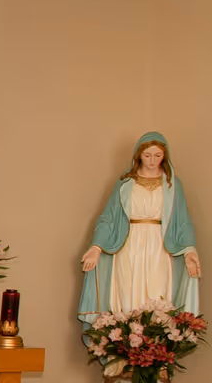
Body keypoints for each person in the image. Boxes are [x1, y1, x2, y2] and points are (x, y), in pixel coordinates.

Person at [78, 132, 200, 318]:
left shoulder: (172, 185)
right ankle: (128, 339)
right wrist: (96, 247)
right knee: (127, 292)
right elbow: (108, 219)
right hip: (129, 243)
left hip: (159, 245)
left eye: (158, 155)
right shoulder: (125, 184)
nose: (152, 161)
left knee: (158, 291)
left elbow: (183, 221)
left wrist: (190, 249)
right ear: (138, 155)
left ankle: (154, 341)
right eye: (147, 155)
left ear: (164, 156)